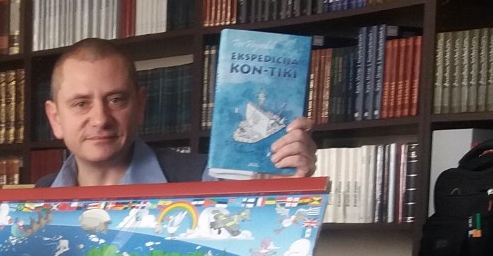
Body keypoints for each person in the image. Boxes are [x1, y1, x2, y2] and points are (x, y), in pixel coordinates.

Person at [38, 37, 318, 188]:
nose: (100, 119)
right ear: (55, 118)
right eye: (81, 104)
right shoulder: (36, 201)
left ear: (140, 106)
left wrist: (287, 188)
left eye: (116, 100)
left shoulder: (208, 180)